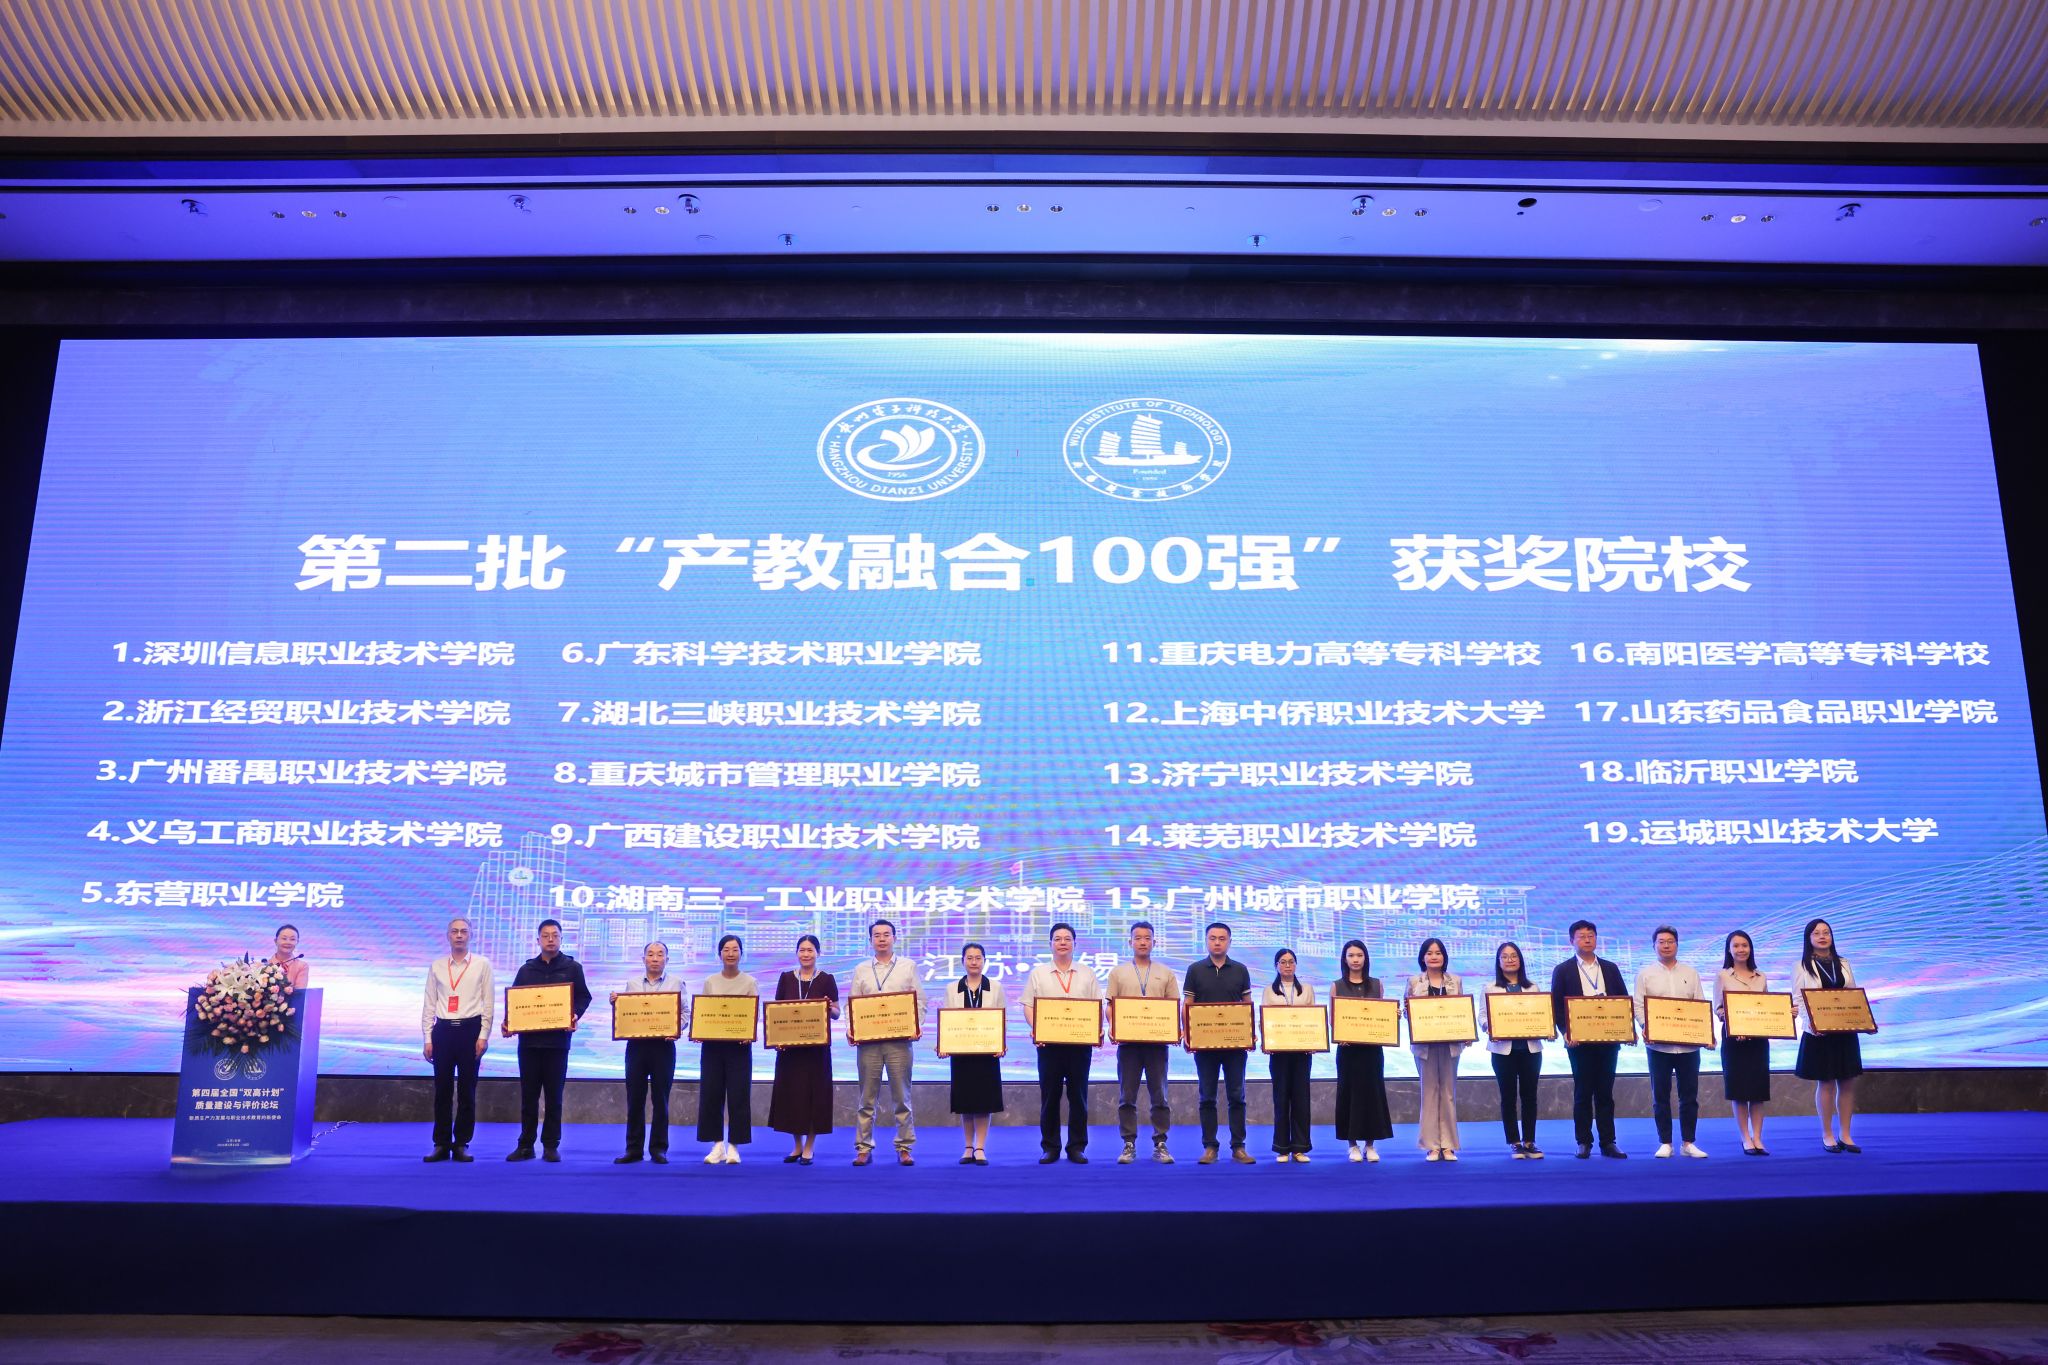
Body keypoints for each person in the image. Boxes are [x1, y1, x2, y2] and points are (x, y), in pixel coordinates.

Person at [502, 918, 591, 1163]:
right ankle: (526, 1145)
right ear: (538, 940)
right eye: (545, 935)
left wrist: (575, 1014)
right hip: (529, 1044)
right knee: (528, 1096)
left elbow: (584, 997)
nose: (550, 939)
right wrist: (509, 1022)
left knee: (554, 1097)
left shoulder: (573, 968)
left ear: (561, 939)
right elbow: (515, 1002)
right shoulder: (527, 969)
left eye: (555, 935)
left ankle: (551, 1145)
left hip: (557, 1044)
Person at [1020, 922, 1103, 1164]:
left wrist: (1095, 1030)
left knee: (1079, 1097)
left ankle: (1077, 1147)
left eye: (1067, 938)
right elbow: (1028, 1006)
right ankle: (1050, 1147)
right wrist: (1037, 1030)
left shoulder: (1087, 973)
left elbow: (1096, 1006)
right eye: (1058, 939)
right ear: (1050, 944)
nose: (1063, 942)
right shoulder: (1038, 973)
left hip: (1079, 1045)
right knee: (1050, 1097)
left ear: (1075, 944)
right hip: (1049, 1046)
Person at [847, 918, 924, 1166]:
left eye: (886, 934)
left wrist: (915, 1026)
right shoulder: (861, 969)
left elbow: (919, 1001)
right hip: (868, 1043)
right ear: (870, 940)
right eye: (877, 935)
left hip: (899, 1042)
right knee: (866, 1099)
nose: (882, 939)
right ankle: (863, 1148)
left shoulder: (908, 966)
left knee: (902, 1097)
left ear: (894, 938)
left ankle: (904, 1147)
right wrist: (851, 1029)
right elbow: (852, 1003)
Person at [1551, 919, 1629, 1159]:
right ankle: (1583, 1141)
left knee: (1605, 1092)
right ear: (1571, 941)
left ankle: (1608, 1142)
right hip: (1579, 1042)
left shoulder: (1610, 968)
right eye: (1581, 936)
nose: (1587, 940)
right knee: (1583, 1092)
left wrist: (1626, 1030)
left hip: (1608, 1040)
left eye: (1591, 935)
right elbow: (1556, 1006)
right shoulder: (1563, 970)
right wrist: (1566, 1032)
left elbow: (1623, 1000)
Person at [1184, 921, 1256, 1164]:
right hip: (1205, 1045)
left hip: (1235, 1045)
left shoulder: (1241, 970)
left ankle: (1238, 1147)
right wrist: (1188, 1035)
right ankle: (1210, 1147)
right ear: (1206, 941)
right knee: (1207, 1097)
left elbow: (1247, 1005)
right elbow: (1188, 1006)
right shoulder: (1195, 970)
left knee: (1237, 1096)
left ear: (1229, 942)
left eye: (1222, 938)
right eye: (1213, 938)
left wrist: (1250, 1032)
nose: (1217, 942)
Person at [420, 915, 491, 1162]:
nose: (459, 935)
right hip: (443, 1031)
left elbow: (488, 1003)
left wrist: (484, 1035)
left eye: (463, 931)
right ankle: (441, 1143)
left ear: (471, 935)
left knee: (467, 1090)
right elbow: (429, 1003)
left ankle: (461, 1143)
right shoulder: (437, 966)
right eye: (454, 931)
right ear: (448, 936)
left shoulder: (482, 964)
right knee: (442, 1090)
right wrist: (427, 1037)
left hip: (471, 1031)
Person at [1106, 920, 1177, 1165]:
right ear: (1130, 942)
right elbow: (1110, 1006)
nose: (1143, 942)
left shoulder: (1166, 973)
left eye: (1147, 938)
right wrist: (1114, 1027)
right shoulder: (1118, 973)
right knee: (1127, 1096)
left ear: (1154, 942)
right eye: (1138, 938)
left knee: (1160, 1096)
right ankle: (1129, 1144)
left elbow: (1173, 1008)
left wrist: (1173, 1031)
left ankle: (1160, 1143)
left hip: (1157, 1044)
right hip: (1129, 1045)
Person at [1636, 926, 1709, 1159]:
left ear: (1677, 944)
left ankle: (1688, 1143)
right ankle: (1665, 1142)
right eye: (1661, 941)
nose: (1666, 945)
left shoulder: (1691, 972)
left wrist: (1705, 1033)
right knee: (1660, 1096)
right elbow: (1638, 1005)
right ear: (1654, 946)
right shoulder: (1645, 974)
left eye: (1670, 941)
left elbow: (1699, 1003)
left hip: (1688, 1045)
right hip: (1658, 1046)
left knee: (1689, 1096)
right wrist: (1646, 1027)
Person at [1793, 917, 1863, 1153]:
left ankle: (1846, 1134)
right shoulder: (1801, 965)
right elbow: (1798, 998)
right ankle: (1828, 1134)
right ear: (1809, 938)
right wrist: (1812, 1023)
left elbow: (1853, 995)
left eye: (1826, 932)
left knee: (1847, 1082)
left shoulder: (1843, 963)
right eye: (1816, 933)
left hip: (1844, 1031)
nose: (1822, 936)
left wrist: (1861, 1020)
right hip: (1819, 1033)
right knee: (1826, 1083)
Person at [768, 933, 838, 1165]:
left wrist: (829, 1007)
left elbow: (837, 1013)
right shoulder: (786, 978)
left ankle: (809, 1146)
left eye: (810, 950)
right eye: (802, 950)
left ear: (818, 953)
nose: (806, 954)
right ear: (796, 953)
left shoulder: (827, 979)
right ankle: (797, 1145)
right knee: (792, 1096)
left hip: (816, 1052)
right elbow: (776, 1011)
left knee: (814, 1096)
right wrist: (776, 1037)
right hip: (790, 1051)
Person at [612, 941, 678, 1165]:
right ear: (643, 959)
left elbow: (685, 1012)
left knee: (661, 1100)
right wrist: (616, 1004)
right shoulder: (632, 984)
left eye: (660, 954)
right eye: (650, 954)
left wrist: (676, 1029)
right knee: (635, 1099)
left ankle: (659, 1149)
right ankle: (633, 1149)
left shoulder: (676, 983)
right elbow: (626, 1014)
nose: (655, 958)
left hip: (663, 1047)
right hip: (637, 1047)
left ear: (667, 959)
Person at [696, 933, 757, 1164]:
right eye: (726, 949)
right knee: (711, 1094)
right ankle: (717, 1145)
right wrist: (699, 1031)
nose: (730, 954)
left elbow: (752, 1014)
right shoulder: (710, 981)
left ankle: (734, 1146)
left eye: (735, 949)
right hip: (712, 1047)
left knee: (738, 1095)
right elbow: (704, 1012)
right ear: (719, 954)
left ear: (741, 953)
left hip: (739, 1048)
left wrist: (749, 1033)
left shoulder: (749, 982)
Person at [1482, 941, 1544, 1159]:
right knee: (1507, 1096)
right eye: (1505, 956)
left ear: (1520, 960)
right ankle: (1515, 1142)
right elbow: (1482, 1017)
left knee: (1530, 1096)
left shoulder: (1533, 987)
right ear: (1498, 961)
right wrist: (1490, 1027)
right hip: (1502, 1051)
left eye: (1514, 956)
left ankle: (1530, 1141)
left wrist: (1545, 1027)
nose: (1510, 960)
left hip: (1530, 1049)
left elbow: (1541, 1014)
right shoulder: (1490, 988)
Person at [1332, 939, 1391, 1163]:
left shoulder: (1376, 984)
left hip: (1372, 1051)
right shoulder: (1337, 985)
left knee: (1372, 1095)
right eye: (1351, 955)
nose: (1355, 960)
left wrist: (1391, 1017)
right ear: (1344, 959)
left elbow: (1383, 1015)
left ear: (1366, 958)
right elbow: (1333, 1021)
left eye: (1359, 955)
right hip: (1348, 1052)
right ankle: (1352, 1144)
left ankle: (1370, 1144)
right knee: (1349, 1095)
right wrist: (1340, 1034)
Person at [945, 942, 1004, 1165]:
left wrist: (1000, 1044)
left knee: (983, 1101)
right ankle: (968, 1147)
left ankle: (980, 1147)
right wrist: (944, 1044)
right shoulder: (952, 988)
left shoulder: (995, 987)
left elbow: (1002, 1017)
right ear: (962, 961)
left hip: (987, 1052)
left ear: (984, 961)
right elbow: (947, 1020)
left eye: (978, 958)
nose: (974, 962)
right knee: (966, 1101)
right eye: (969, 958)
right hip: (961, 1052)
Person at [1408, 937, 1466, 1161]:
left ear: (1444, 956)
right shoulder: (1414, 981)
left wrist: (1466, 1032)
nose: (1434, 956)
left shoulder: (1455, 981)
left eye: (1438, 952)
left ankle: (1449, 1145)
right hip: (1425, 1047)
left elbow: (1462, 1011)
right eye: (1429, 953)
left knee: (1448, 1093)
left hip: (1450, 1045)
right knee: (1429, 1093)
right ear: (1422, 957)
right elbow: (1408, 1014)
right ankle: (1432, 1145)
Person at [1716, 929, 1773, 1155]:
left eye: (1745, 945)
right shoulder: (1723, 976)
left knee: (1758, 1091)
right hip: (1734, 1040)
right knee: (1739, 1091)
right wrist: (1734, 1025)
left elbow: (1768, 1007)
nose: (1741, 949)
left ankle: (1758, 1137)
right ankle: (1745, 1138)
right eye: (1736, 946)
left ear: (1751, 948)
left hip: (1758, 1040)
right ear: (1729, 950)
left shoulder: (1761, 976)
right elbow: (1719, 1009)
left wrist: (1785, 1013)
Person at [1264, 948, 1315, 1162]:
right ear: (1276, 965)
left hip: (1302, 1052)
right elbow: (1265, 1019)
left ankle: (1300, 1148)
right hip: (1279, 1052)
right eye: (1283, 962)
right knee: (1281, 1098)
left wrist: (1314, 1041)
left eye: (1291, 961)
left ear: (1296, 964)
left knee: (1301, 1099)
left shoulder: (1307, 990)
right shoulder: (1269, 990)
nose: (1287, 965)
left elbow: (1313, 1019)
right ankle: (1282, 1148)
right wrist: (1267, 1042)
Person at [267, 924, 309, 990]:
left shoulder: (302, 966)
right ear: (275, 941)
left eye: (292, 939)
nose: (288, 942)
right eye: (284, 938)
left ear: (297, 942)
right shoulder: (265, 965)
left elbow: (299, 993)